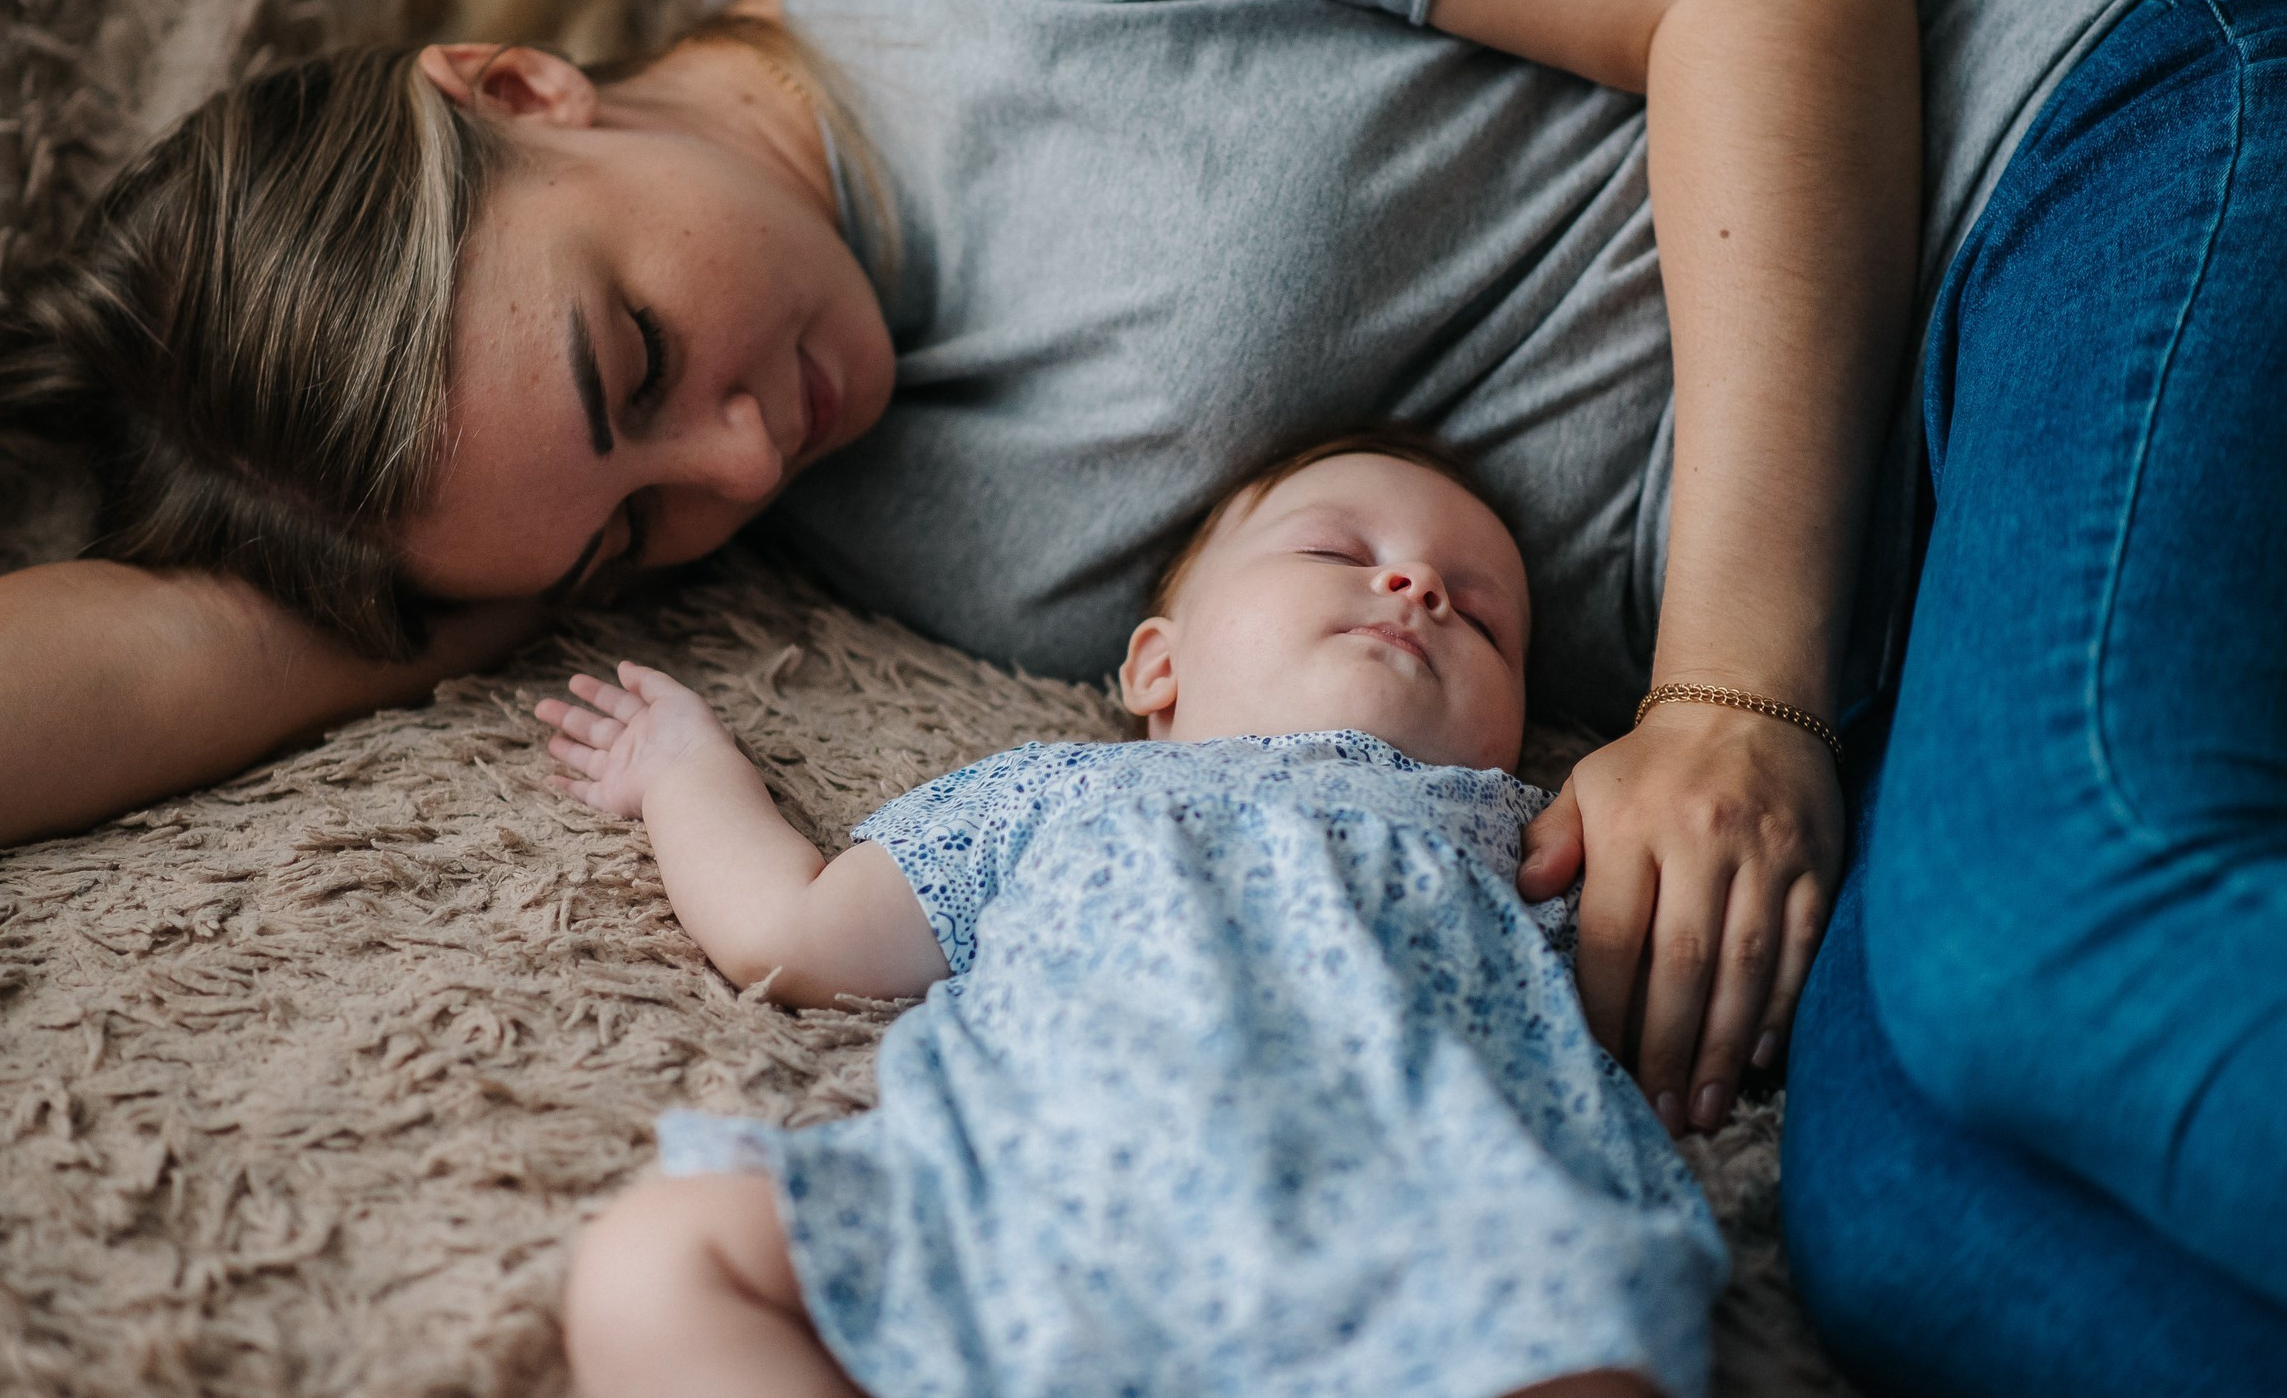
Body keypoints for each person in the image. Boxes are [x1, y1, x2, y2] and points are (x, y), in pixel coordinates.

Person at [0, 0, 2277, 1388]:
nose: (732, 470)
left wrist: (1726, 696)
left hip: (2068, 178)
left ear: (520, 84)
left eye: (631, 369)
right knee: (1922, 1239)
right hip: (1968, 615)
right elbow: (166, 651)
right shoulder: (743, 480)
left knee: (2026, 966)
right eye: (631, 534)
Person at [546, 432, 1729, 1398]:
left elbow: (1683, 952)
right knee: (659, 1260)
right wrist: (683, 773)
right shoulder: (1053, 787)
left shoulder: (1524, 835)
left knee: (1587, 1337)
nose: (1417, 587)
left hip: (1433, 1247)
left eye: (1481, 618)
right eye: (1337, 548)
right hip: (1045, 1215)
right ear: (1156, 665)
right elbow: (791, 935)